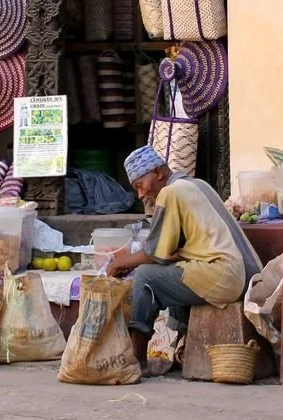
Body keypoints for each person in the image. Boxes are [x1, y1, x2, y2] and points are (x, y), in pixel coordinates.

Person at [106, 145, 262, 376]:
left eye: (140, 185)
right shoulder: (198, 184)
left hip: (226, 275)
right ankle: (182, 345)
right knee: (172, 271)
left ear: (158, 173)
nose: (140, 195)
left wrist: (119, 263)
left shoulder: (171, 192)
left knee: (146, 276)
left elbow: (155, 251)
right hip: (246, 275)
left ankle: (137, 359)